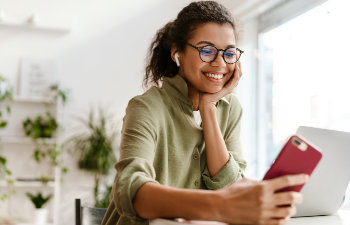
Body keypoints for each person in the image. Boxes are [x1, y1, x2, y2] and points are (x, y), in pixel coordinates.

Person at [101, 1, 308, 225]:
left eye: (229, 53)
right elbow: (131, 191)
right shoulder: (147, 107)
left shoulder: (230, 108)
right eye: (207, 50)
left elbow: (231, 186)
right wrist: (221, 205)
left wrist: (209, 108)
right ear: (177, 53)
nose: (219, 62)